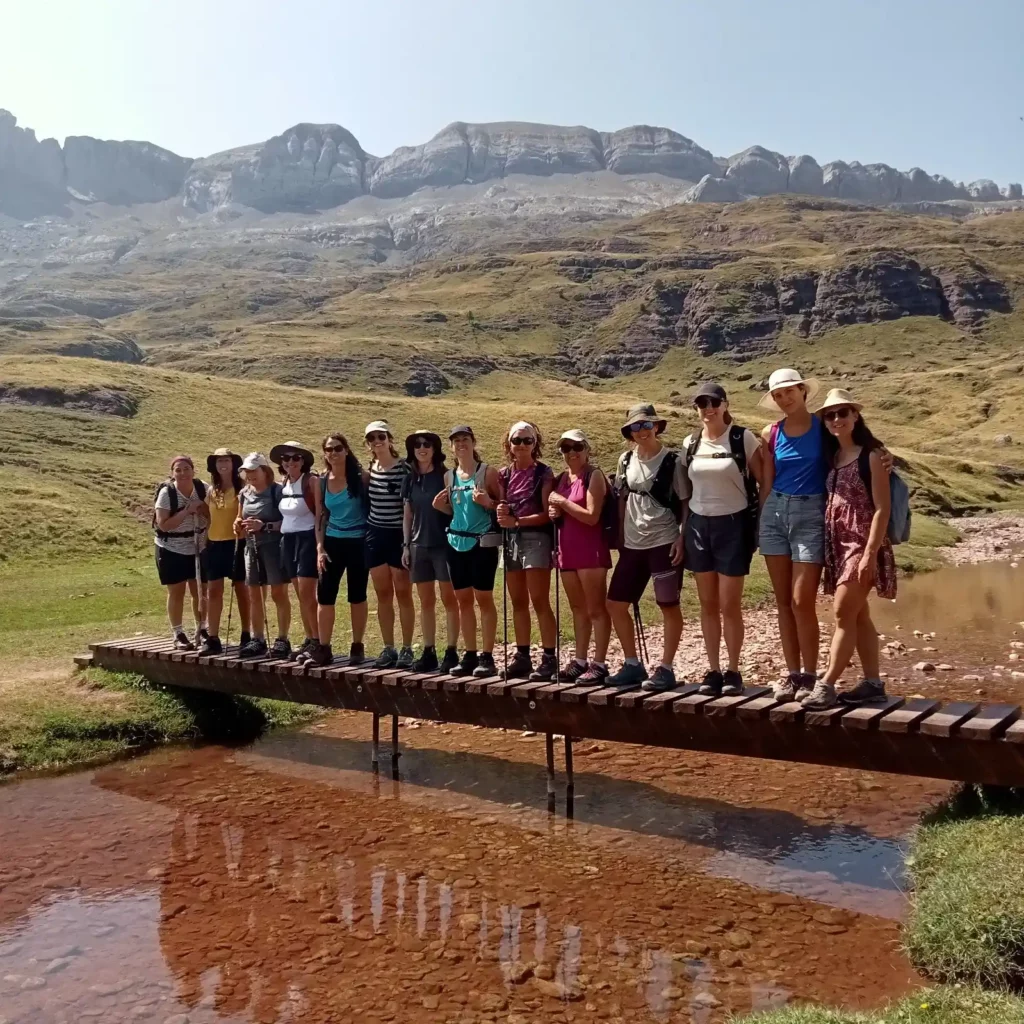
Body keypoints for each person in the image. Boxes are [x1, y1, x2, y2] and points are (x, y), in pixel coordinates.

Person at [812, 389, 897, 710]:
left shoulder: (871, 456)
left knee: (843, 614)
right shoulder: (833, 457)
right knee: (859, 616)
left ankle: (827, 685)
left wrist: (870, 553)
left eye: (842, 413)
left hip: (861, 547)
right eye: (830, 415)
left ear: (855, 416)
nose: (836, 419)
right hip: (839, 545)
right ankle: (873, 684)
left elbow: (882, 509)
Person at [682, 384, 765, 697]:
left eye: (713, 402)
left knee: (730, 605)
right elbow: (686, 492)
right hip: (699, 527)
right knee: (707, 604)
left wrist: (759, 524)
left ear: (725, 404)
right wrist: (683, 532)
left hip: (734, 525)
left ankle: (733, 670)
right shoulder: (690, 442)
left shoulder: (742, 437)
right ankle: (713, 670)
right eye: (701, 404)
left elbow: (762, 480)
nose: (708, 408)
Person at [607, 404, 690, 691]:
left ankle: (666, 668)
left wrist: (682, 536)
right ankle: (632, 663)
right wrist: (619, 534)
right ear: (629, 432)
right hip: (632, 543)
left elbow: (684, 502)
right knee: (615, 604)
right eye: (635, 427)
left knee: (668, 604)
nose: (641, 431)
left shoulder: (673, 461)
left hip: (664, 541)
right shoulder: (625, 460)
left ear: (656, 427)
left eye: (646, 425)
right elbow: (621, 498)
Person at [758, 368, 827, 703]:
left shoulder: (824, 426)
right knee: (783, 601)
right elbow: (765, 479)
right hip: (775, 514)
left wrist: (883, 458)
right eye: (778, 394)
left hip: (810, 513)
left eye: (789, 391)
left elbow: (858, 449)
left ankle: (811, 675)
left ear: (803, 390)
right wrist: (762, 516)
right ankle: (793, 674)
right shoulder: (771, 432)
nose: (784, 398)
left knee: (802, 601)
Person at [433, 425, 502, 677]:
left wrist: (489, 503)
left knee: (484, 599)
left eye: (465, 439)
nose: (461, 444)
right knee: (463, 601)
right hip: (455, 543)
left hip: (482, 544)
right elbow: (455, 510)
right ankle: (470, 654)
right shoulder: (449, 476)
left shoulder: (488, 473)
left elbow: (502, 508)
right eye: (456, 440)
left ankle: (488, 656)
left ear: (473, 442)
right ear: (451, 447)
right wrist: (440, 508)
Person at [546, 429, 612, 683]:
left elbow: (592, 516)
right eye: (566, 448)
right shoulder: (563, 478)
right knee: (577, 608)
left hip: (590, 551)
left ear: (587, 449)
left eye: (577, 447)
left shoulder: (594, 476)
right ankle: (581, 660)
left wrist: (562, 503)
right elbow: (563, 513)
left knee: (596, 609)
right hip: (567, 552)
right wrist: (557, 511)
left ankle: (600, 663)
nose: (571, 452)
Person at [495, 421, 558, 680]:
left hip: (536, 539)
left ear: (535, 444)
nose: (521, 445)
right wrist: (501, 511)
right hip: (511, 541)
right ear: (509, 444)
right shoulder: (504, 474)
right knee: (518, 602)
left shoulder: (544, 473)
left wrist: (516, 521)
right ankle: (522, 657)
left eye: (527, 440)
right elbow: (503, 504)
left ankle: (549, 658)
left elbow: (547, 515)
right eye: (517, 440)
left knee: (539, 601)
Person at [402, 430, 460, 674]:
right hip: (418, 546)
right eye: (417, 445)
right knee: (426, 601)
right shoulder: (410, 478)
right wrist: (405, 545)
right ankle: (428, 651)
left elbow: (455, 511)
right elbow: (408, 514)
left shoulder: (446, 476)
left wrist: (441, 506)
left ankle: (451, 651)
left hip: (444, 544)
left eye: (427, 444)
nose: (422, 448)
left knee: (450, 599)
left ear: (435, 449)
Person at [314, 432, 370, 667]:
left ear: (346, 450)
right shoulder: (322, 481)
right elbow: (320, 516)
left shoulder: (361, 477)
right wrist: (320, 548)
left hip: (359, 542)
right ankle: (324, 647)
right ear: (324, 454)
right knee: (325, 596)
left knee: (357, 596)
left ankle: (357, 645)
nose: (334, 453)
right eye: (329, 449)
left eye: (338, 448)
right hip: (332, 543)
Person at [364, 421, 415, 668]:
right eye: (372, 438)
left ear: (389, 438)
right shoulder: (370, 469)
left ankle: (407, 648)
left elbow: (409, 508)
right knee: (383, 594)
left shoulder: (404, 468)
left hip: (398, 535)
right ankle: (388, 648)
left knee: (403, 593)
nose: (377, 441)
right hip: (375, 535)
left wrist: (407, 543)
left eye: (381, 436)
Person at [270, 441, 322, 663]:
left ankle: (319, 641)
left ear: (304, 461)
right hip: (287, 540)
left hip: (307, 538)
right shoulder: (284, 483)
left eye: (296, 458)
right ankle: (310, 639)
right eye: (286, 459)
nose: (290, 462)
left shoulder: (311, 481)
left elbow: (320, 514)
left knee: (308, 594)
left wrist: (320, 545)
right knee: (300, 595)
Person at [235, 453, 292, 659]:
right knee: (255, 595)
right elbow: (240, 518)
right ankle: (257, 639)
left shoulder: (278, 492)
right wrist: (238, 525)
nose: (250, 475)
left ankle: (282, 640)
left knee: (279, 594)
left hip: (274, 548)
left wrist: (264, 526)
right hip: (252, 548)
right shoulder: (244, 493)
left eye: (253, 470)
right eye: (246, 471)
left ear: (264, 470)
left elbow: (288, 522)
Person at [154, 455, 209, 651]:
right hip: (172, 548)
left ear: (193, 470)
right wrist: (187, 511)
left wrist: (201, 509)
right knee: (176, 591)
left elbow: (212, 514)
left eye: (186, 469)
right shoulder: (167, 493)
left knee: (200, 591)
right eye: (178, 470)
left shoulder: (203, 488)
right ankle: (178, 633)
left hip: (199, 545)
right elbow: (164, 524)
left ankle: (202, 629)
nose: (183, 473)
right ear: (172, 473)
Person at [202, 448, 251, 655]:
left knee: (242, 590)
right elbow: (207, 516)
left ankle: (247, 634)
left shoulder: (244, 489)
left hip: (237, 543)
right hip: (214, 544)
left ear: (234, 464)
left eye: (227, 460)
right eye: (219, 461)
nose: (223, 464)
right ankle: (212, 638)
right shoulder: (211, 490)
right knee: (214, 591)